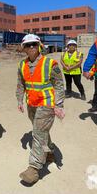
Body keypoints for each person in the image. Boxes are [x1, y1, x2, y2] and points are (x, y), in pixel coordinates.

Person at [16, 34, 65, 185]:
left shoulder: (50, 63)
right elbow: (20, 84)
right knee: (41, 132)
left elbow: (59, 85)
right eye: (28, 45)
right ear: (24, 48)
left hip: (47, 104)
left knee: (37, 133)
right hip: (32, 104)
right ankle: (49, 153)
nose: (31, 47)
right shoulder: (22, 65)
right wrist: (19, 99)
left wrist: (59, 105)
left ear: (39, 46)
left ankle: (34, 168)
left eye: (34, 44)